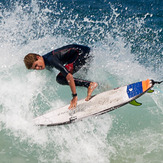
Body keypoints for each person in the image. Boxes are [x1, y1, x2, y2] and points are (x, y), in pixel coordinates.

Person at [24, 44, 98, 109]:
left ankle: (90, 84)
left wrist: (74, 96)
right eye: (35, 68)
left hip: (81, 53)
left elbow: (69, 76)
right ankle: (101, 85)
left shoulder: (51, 59)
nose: (37, 68)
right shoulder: (45, 62)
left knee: (60, 78)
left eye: (36, 65)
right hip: (85, 52)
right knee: (81, 77)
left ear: (38, 57)